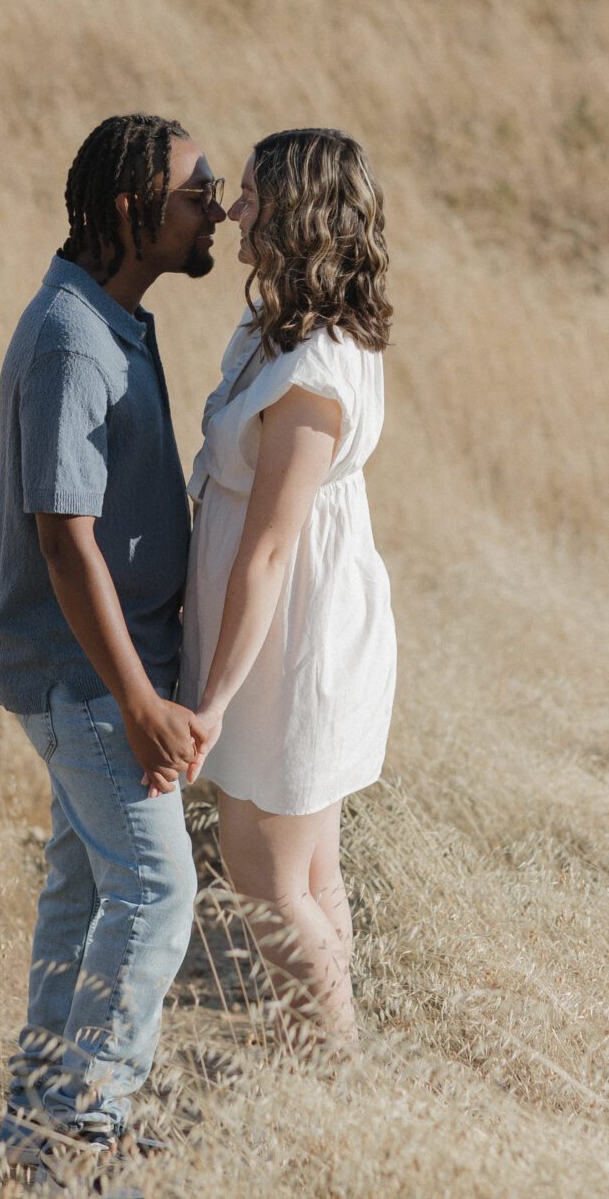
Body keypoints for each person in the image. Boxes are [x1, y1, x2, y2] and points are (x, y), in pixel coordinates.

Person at [0, 112, 230, 1186]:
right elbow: (63, 537)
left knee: (84, 893)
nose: (217, 205)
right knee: (155, 891)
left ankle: (31, 1129)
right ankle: (83, 1138)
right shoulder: (71, 339)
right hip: (87, 676)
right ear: (134, 213)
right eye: (196, 190)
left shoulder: (113, 316)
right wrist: (137, 696)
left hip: (101, 669)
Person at [180, 127, 397, 1059]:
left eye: (255, 198)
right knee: (308, 870)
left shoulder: (312, 373)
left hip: (288, 644)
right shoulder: (283, 327)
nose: (233, 209)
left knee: (267, 876)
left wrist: (211, 703)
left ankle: (337, 1076)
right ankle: (320, 1064)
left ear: (298, 215)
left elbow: (268, 551)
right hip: (283, 627)